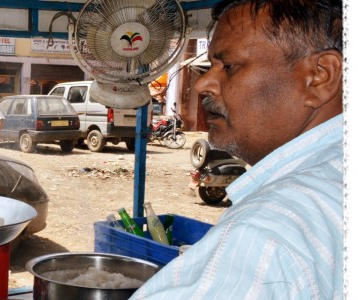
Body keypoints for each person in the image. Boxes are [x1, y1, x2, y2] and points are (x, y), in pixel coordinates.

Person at [133, 0, 342, 298]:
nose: (204, 83)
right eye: (210, 66)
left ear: (320, 76)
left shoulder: (267, 232)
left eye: (228, 67)